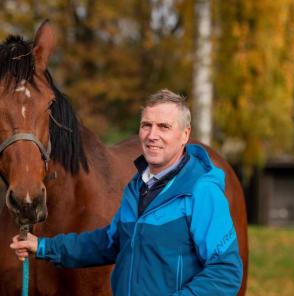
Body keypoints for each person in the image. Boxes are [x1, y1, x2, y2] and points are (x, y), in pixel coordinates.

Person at [10, 89, 243, 295]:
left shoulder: (201, 190)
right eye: (146, 125)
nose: (152, 135)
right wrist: (42, 247)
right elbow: (110, 243)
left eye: (164, 126)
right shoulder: (138, 186)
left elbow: (226, 272)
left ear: (184, 134)